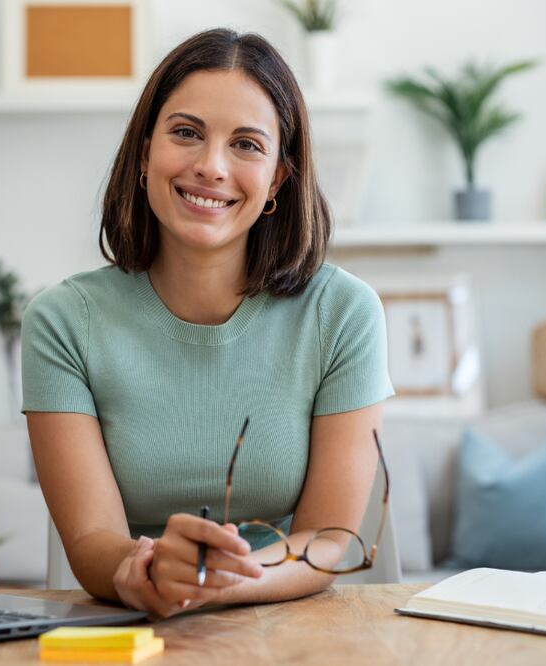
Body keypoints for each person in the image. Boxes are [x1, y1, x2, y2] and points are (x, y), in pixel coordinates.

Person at [22, 28, 392, 619]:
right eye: (187, 133)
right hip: (135, 628)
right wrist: (146, 573)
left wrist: (216, 580)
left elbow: (328, 540)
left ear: (277, 179)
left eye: (246, 144)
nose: (211, 167)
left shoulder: (343, 313)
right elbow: (91, 545)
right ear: (145, 152)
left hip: (292, 635)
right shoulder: (63, 322)